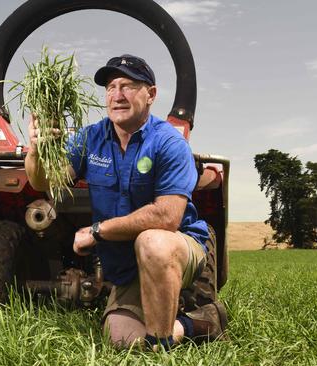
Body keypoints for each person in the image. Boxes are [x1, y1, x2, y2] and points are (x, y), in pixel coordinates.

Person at [25, 54, 227, 350]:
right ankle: (198, 322)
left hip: (178, 249)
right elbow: (45, 181)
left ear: (151, 94)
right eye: (111, 87)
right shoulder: (91, 138)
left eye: (129, 86)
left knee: (153, 242)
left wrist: (97, 231)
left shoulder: (168, 142)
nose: (117, 95)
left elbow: (167, 218)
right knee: (122, 340)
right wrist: (37, 149)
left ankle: (163, 343)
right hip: (127, 268)